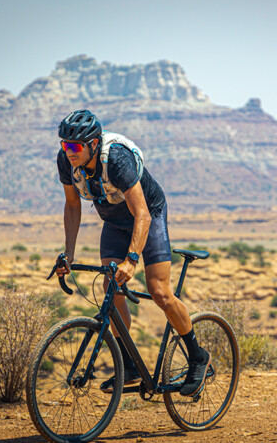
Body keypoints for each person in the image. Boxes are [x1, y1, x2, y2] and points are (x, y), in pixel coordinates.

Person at [54, 109, 210, 396]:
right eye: (65, 145)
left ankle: (197, 356)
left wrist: (132, 259)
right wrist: (69, 254)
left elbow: (142, 215)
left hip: (147, 214)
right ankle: (130, 365)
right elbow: (73, 205)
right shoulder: (67, 161)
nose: (69, 151)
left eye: (75, 146)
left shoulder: (116, 160)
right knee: (110, 288)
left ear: (94, 143)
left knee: (160, 292)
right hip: (114, 220)